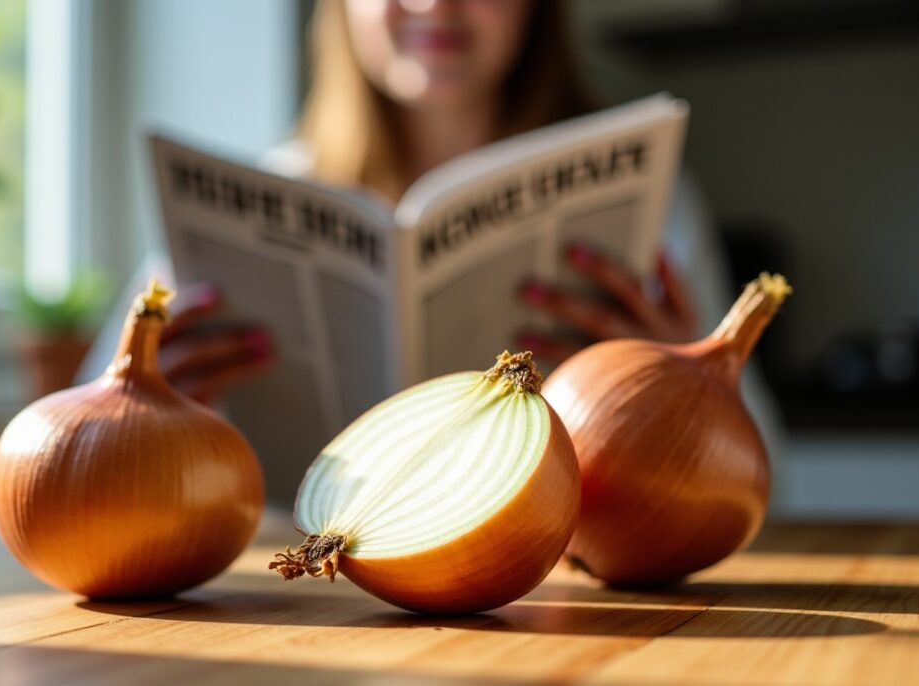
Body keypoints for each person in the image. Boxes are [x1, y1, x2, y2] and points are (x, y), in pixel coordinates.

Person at [133, 0, 778, 450]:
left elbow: (767, 478)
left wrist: (687, 392)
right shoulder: (258, 199)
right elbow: (98, 411)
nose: (435, 3)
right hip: (311, 591)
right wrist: (156, 406)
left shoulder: (653, 202)